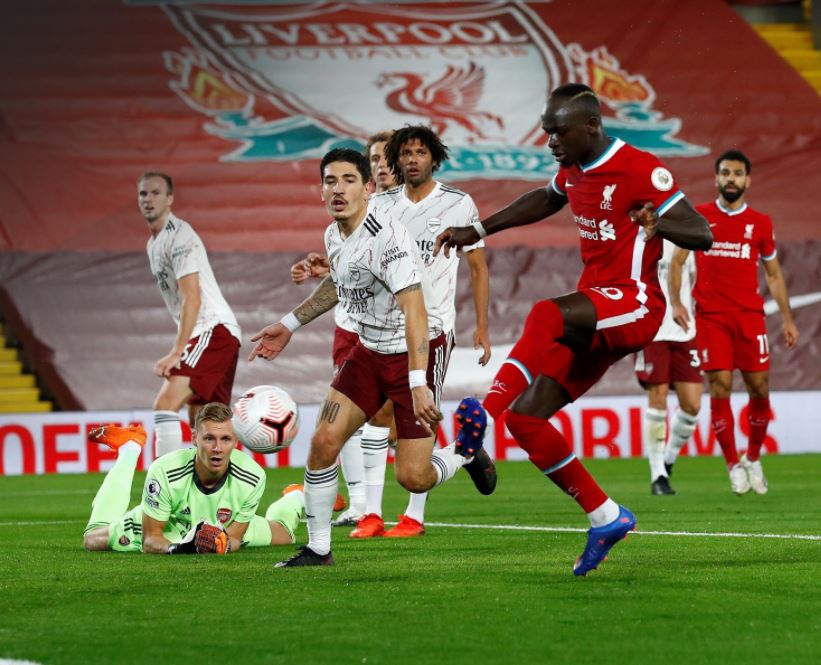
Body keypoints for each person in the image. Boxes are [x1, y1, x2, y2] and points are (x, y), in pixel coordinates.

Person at [435, 83, 713, 576]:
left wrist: (657, 223)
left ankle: (480, 424)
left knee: (546, 314)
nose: (551, 142)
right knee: (528, 420)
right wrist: (477, 230)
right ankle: (606, 516)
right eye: (547, 132)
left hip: (635, 303)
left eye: (559, 132)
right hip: (598, 306)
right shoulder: (574, 168)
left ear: (591, 125)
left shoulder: (641, 168)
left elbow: (703, 234)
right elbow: (546, 198)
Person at [249, 148, 495, 567]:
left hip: (414, 351)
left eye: (348, 180)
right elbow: (340, 282)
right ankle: (319, 549)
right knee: (323, 443)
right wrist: (290, 323)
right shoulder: (334, 234)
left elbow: (416, 312)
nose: (338, 189)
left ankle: (464, 451)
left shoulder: (388, 238)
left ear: (367, 188)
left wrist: (418, 384)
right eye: (330, 181)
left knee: (413, 476)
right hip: (368, 351)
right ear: (321, 190)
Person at [347, 124, 491, 539]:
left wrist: (481, 327)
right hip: (384, 328)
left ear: (434, 158)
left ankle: (416, 513)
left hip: (434, 328)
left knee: (420, 411)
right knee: (377, 414)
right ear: (395, 160)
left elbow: (478, 269)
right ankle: (371, 515)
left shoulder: (458, 203)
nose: (412, 160)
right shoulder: (379, 205)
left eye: (420, 152)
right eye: (405, 153)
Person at [669, 150, 798, 495]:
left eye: (737, 174)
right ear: (716, 178)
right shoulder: (700, 216)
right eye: (725, 173)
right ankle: (732, 464)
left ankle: (753, 457)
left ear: (747, 180)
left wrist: (787, 318)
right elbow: (677, 262)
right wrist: (677, 301)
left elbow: (773, 275)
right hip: (711, 318)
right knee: (720, 386)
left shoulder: (761, 223)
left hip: (750, 318)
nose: (731, 179)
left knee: (759, 387)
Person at [290, 132, 399, 528]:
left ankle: (455, 455)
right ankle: (361, 504)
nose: (382, 165)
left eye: (387, 158)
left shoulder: (403, 214)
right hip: (350, 326)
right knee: (350, 418)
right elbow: (346, 267)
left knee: (398, 434)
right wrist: (325, 268)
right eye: (375, 158)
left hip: (394, 331)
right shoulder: (341, 220)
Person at [82, 402, 307, 554]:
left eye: (225, 439)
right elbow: (151, 539)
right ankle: (130, 449)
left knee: (286, 535)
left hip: (222, 526)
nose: (217, 448)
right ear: (194, 438)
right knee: (93, 539)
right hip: (171, 526)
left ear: (236, 442)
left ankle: (296, 496)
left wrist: (220, 544)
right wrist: (181, 548)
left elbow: (235, 538)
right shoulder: (165, 471)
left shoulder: (252, 477)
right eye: (209, 438)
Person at [138, 172, 241, 458]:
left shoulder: (180, 236)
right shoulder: (153, 243)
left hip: (212, 329)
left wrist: (177, 351)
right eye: (143, 193)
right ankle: (216, 485)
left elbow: (192, 297)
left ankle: (163, 482)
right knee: (207, 425)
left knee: (165, 405)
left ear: (170, 199)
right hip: (218, 333)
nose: (148, 199)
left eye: (156, 193)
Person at [634, 240, 702, 495]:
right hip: (653, 329)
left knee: (692, 405)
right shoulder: (642, 237)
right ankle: (657, 474)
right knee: (657, 398)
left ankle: (668, 460)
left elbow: (694, 279)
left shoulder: (687, 237)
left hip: (685, 329)